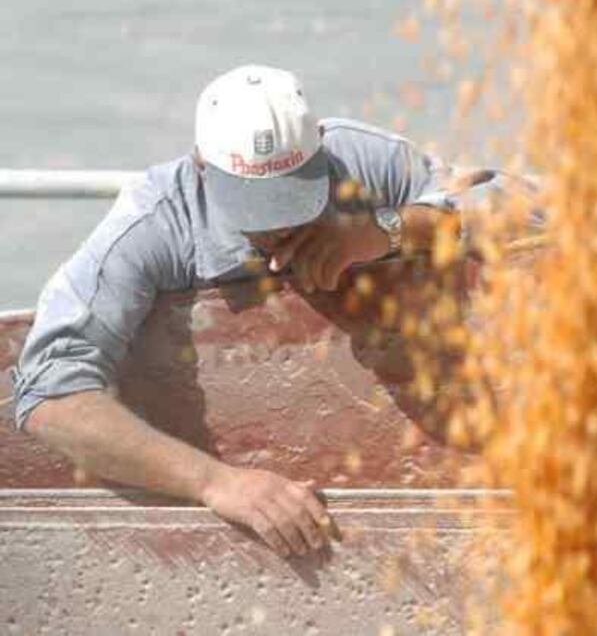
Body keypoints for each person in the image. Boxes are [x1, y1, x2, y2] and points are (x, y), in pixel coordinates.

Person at [10, 65, 473, 558]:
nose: (279, 227)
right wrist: (215, 482)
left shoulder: (360, 158)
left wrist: (386, 230)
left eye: (294, 196)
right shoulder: (153, 223)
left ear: (319, 152)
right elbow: (50, 394)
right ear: (202, 166)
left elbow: (514, 209)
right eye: (257, 208)